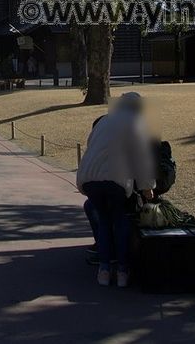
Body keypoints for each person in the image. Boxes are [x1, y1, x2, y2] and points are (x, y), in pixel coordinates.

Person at [76, 92, 155, 288]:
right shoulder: (135, 122)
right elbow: (141, 157)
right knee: (120, 220)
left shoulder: (104, 121)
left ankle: (103, 270)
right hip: (116, 180)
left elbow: (92, 146)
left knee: (104, 220)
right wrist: (147, 187)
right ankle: (122, 271)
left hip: (89, 179)